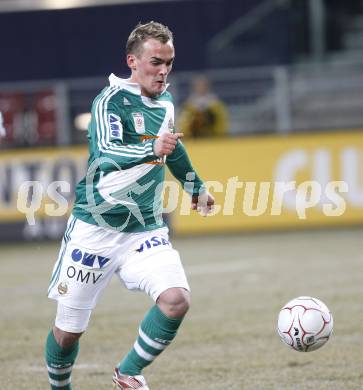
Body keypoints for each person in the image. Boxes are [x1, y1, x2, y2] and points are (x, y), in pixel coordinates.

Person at [45, 21, 214, 390]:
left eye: (169, 62)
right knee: (68, 332)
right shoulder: (109, 101)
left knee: (176, 300)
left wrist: (195, 188)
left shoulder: (166, 100)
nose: (164, 70)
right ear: (132, 61)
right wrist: (150, 148)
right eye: (156, 61)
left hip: (145, 228)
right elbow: (107, 153)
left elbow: (172, 147)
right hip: (95, 229)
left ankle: (128, 372)